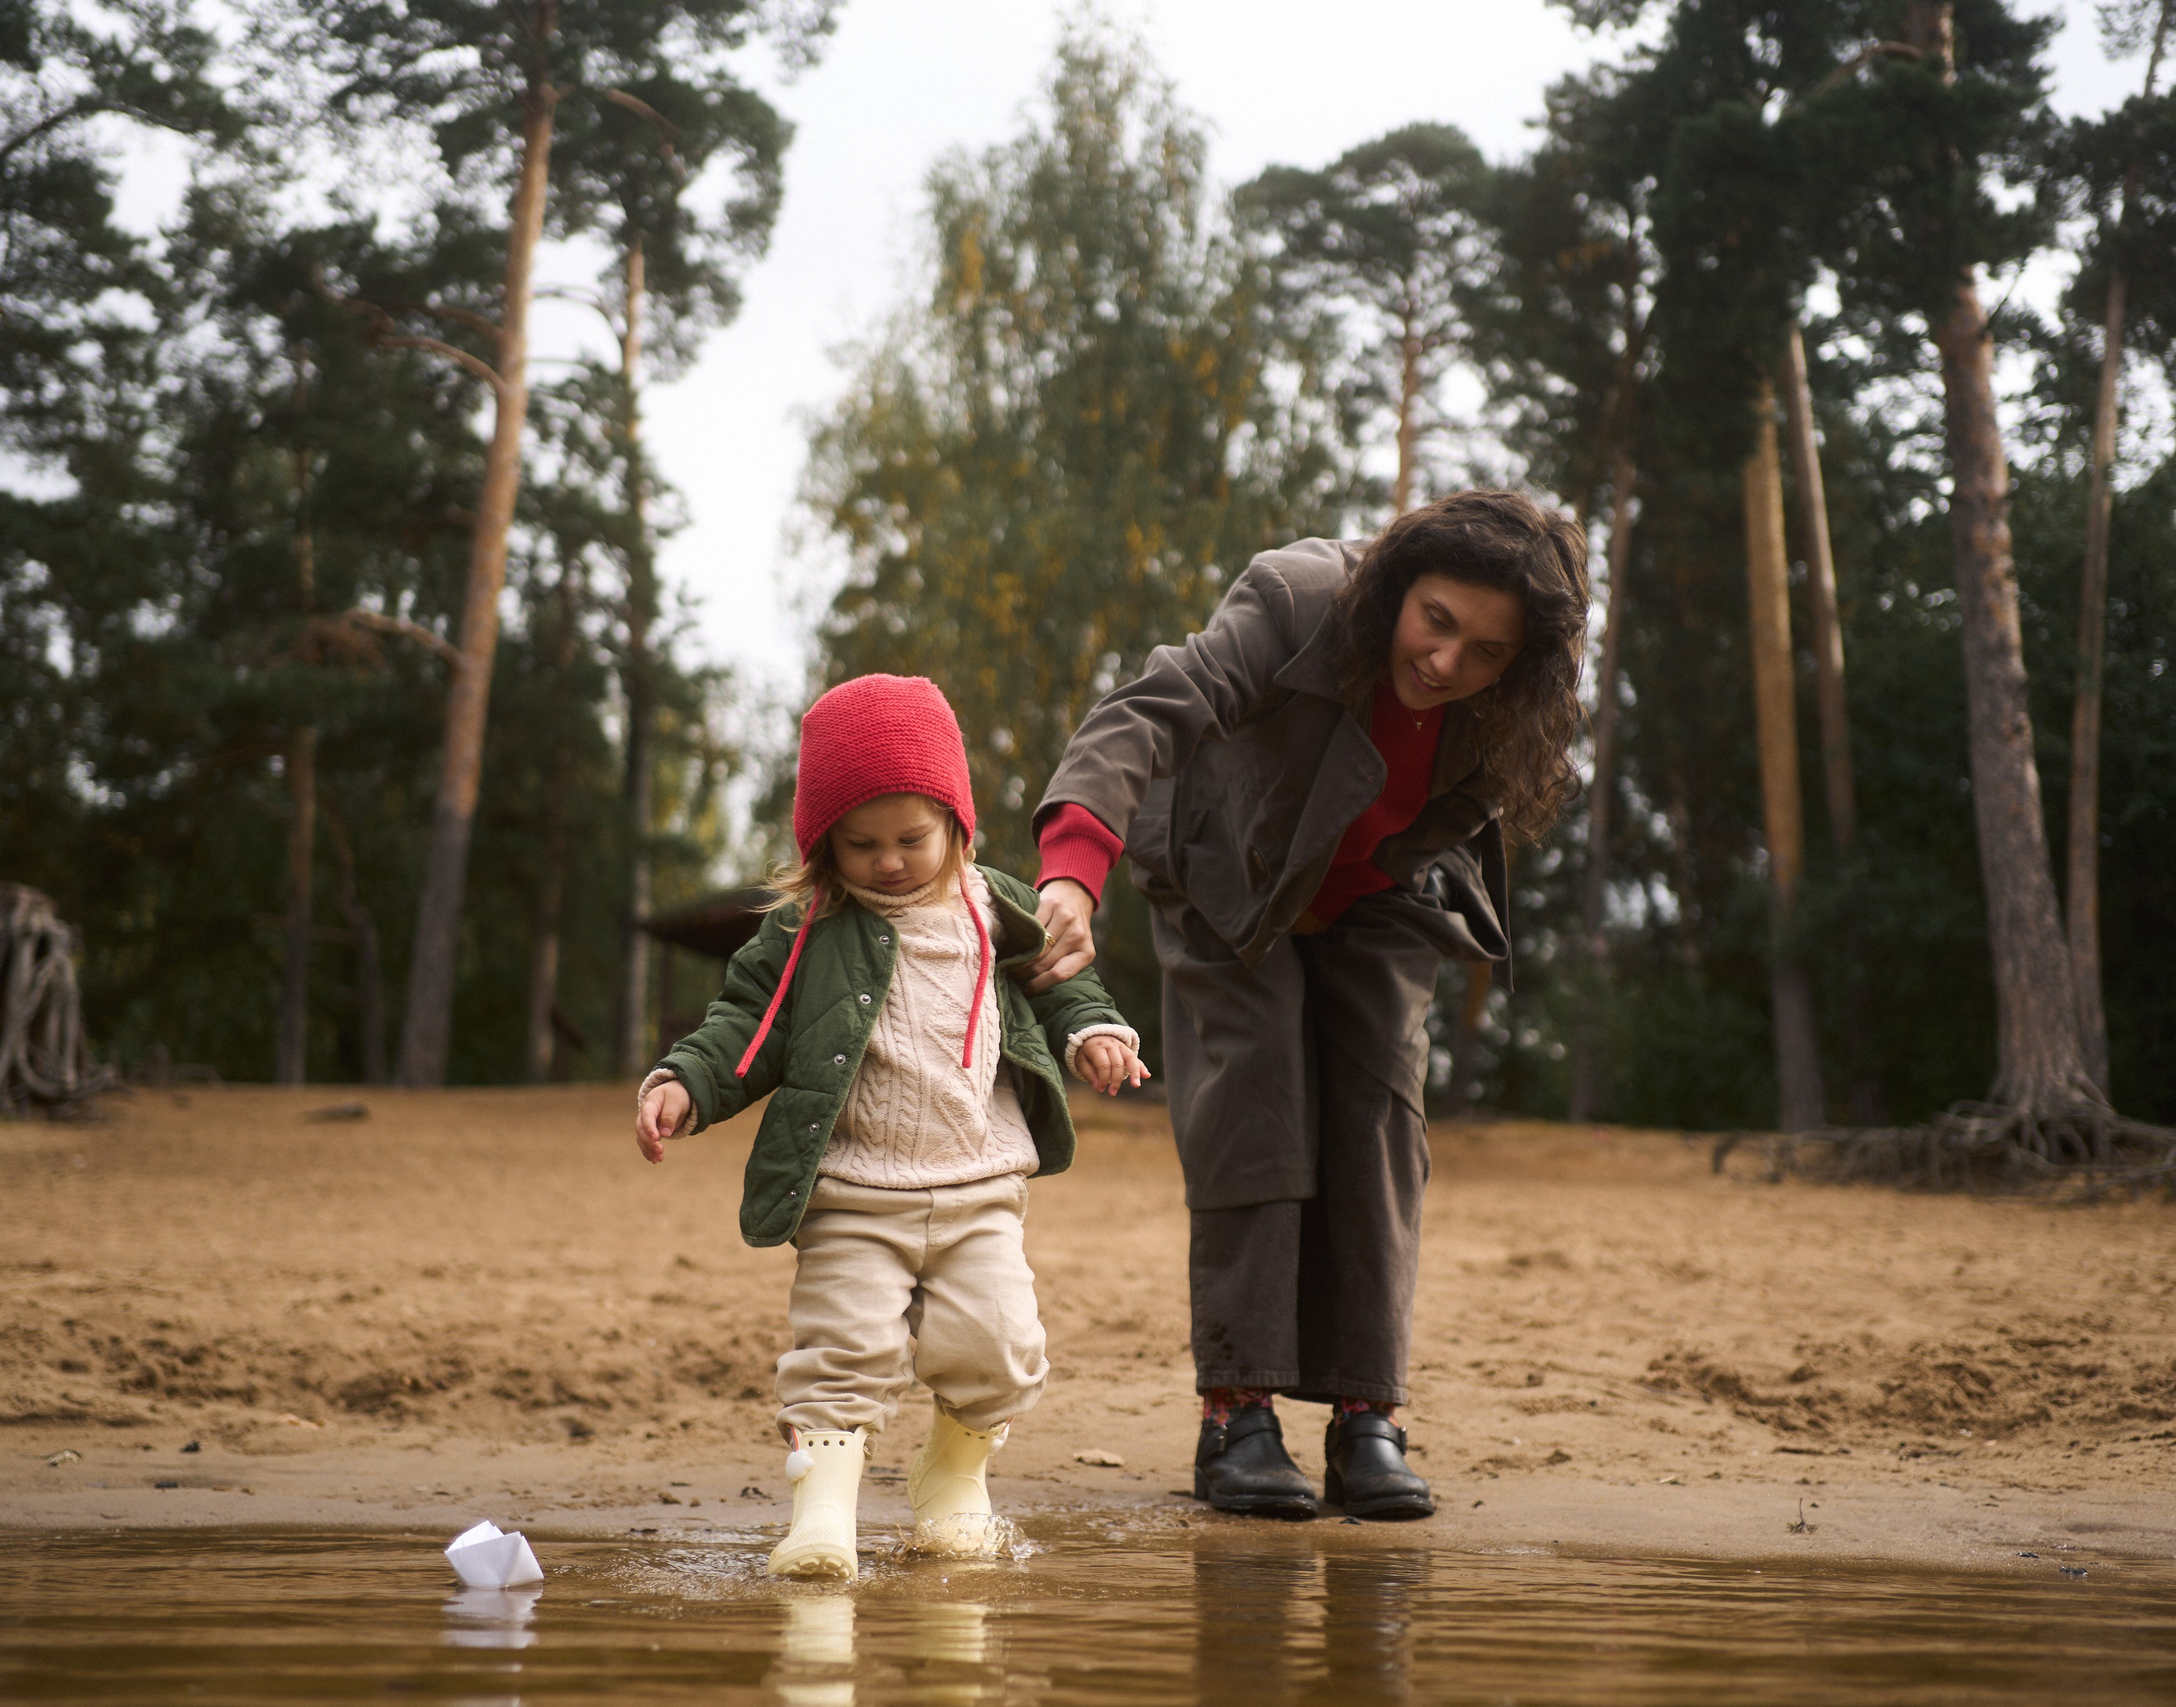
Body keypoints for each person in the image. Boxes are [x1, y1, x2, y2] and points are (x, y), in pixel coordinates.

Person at [1024, 490, 1588, 1521]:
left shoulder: (1517, 704)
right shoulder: (1297, 598)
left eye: (1488, 652)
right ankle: (1234, 1414)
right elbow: (1148, 709)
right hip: (1226, 873)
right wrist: (1071, 869)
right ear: (1397, 587)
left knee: (1379, 1120)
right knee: (1256, 1102)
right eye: (1436, 622)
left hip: (1375, 895)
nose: (1448, 664)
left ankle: (1366, 1415)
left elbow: (1451, 810)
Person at [633, 674, 1147, 1579]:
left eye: (913, 837)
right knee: (842, 1350)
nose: (890, 861)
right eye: (860, 843)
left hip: (979, 1183)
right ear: (823, 843)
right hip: (851, 1191)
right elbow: (745, 1024)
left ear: (957, 820)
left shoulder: (998, 908)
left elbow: (1063, 979)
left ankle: (952, 1480)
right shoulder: (808, 926)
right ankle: (822, 1515)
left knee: (998, 1344)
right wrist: (686, 1080)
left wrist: (1096, 1031)